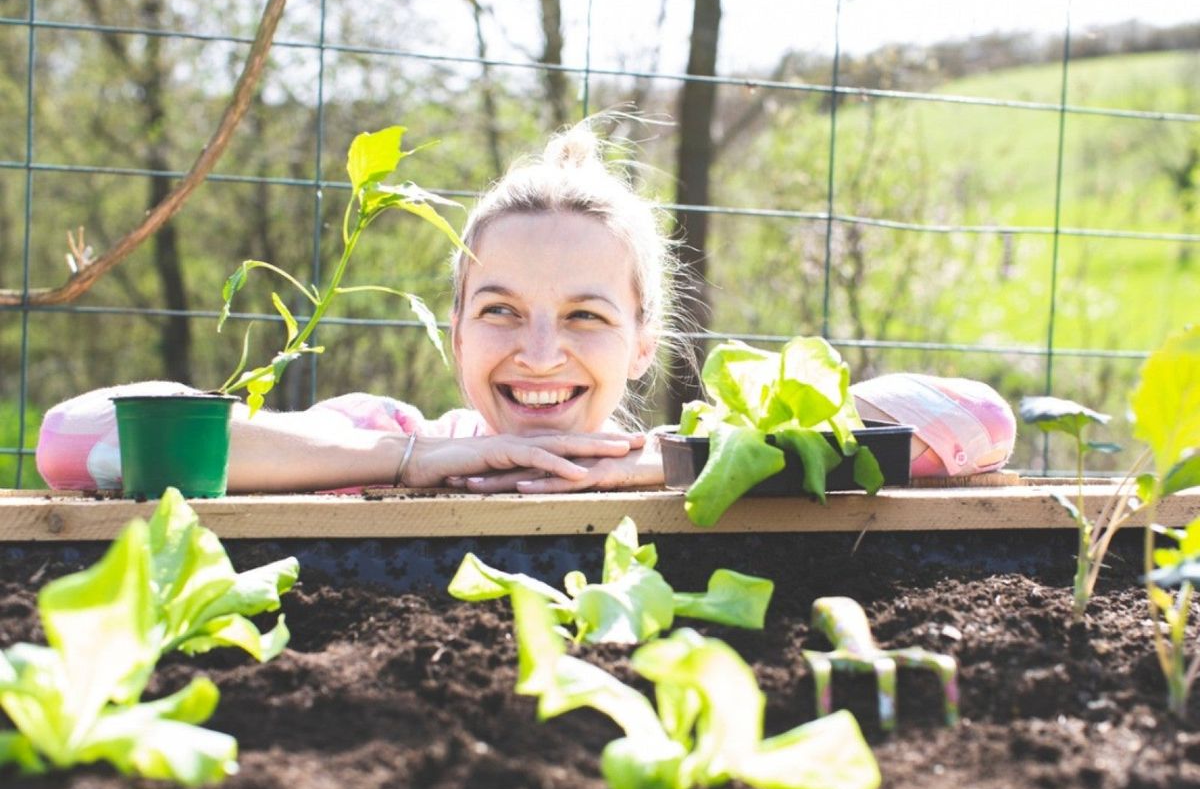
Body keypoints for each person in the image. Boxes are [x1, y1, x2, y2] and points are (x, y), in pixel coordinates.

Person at [36, 118, 1015, 494]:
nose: (538, 354)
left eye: (586, 316)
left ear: (643, 343)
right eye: (501, 310)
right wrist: (419, 460)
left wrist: (645, 468)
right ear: (454, 326)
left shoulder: (688, 463)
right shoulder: (382, 437)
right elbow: (83, 445)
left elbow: (978, 423)